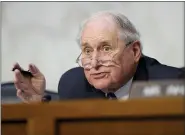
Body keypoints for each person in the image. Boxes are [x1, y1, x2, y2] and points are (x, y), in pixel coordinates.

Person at [12, 11, 184, 103]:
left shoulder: (172, 85)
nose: (94, 63)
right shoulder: (74, 85)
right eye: (87, 51)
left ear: (135, 51)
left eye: (106, 48)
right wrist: (38, 106)